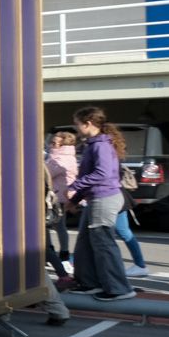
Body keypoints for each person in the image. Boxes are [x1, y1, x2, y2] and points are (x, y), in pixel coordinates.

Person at [65, 106, 135, 301]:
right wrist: (75, 199)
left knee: (103, 244)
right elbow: (91, 174)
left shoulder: (101, 145)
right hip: (98, 197)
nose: (76, 128)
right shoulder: (95, 143)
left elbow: (102, 173)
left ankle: (119, 288)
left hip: (104, 198)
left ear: (87, 124)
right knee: (85, 244)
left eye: (77, 123)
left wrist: (75, 187)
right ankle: (90, 283)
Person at [44, 131, 77, 264]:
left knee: (49, 225)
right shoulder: (65, 156)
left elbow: (46, 173)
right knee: (58, 225)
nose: (50, 145)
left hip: (57, 197)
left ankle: (56, 253)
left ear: (62, 145)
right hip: (61, 195)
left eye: (53, 143)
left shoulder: (60, 159)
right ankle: (60, 253)